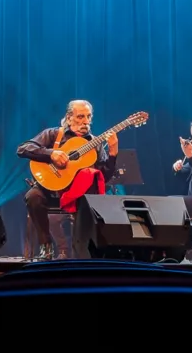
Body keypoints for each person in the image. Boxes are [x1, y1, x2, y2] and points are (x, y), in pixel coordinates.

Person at [17, 100, 118, 260]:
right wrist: (51, 154)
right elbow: (23, 149)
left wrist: (112, 154)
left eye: (88, 116)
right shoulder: (53, 134)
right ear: (69, 118)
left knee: (91, 201)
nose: (85, 121)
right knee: (32, 197)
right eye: (80, 117)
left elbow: (103, 177)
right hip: (50, 189)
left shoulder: (95, 143)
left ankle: (81, 251)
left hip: (78, 194)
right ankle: (46, 246)